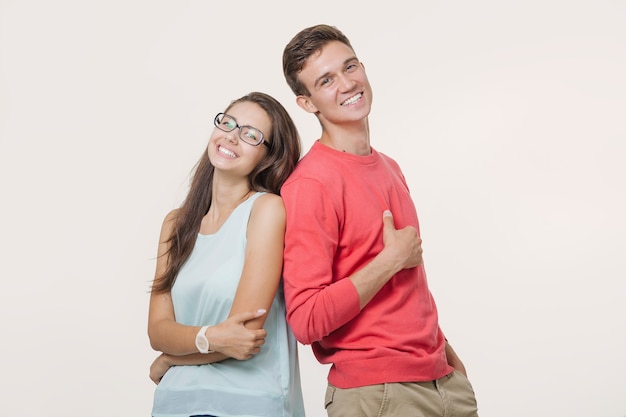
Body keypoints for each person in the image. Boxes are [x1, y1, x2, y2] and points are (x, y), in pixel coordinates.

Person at [280, 24, 479, 416]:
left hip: (442, 383)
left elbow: (408, 292)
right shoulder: (311, 184)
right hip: (377, 394)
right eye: (326, 80)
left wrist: (449, 361)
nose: (347, 83)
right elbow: (305, 319)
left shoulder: (389, 167)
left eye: (349, 67)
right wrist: (389, 261)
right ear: (307, 104)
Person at [147, 91, 306, 417]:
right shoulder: (176, 224)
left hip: (248, 404)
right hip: (174, 404)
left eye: (250, 134)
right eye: (228, 123)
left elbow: (243, 338)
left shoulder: (266, 210)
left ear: (268, 156)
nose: (231, 136)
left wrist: (171, 357)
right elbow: (157, 331)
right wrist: (211, 337)